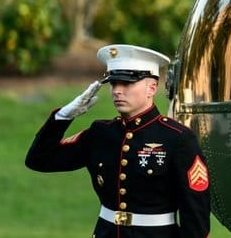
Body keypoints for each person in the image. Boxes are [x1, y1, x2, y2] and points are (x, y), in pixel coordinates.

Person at [25, 44, 211, 237]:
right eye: (114, 83)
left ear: (152, 88)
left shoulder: (177, 138)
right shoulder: (101, 133)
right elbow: (39, 160)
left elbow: (196, 217)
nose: (117, 91)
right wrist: (64, 116)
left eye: (127, 83)